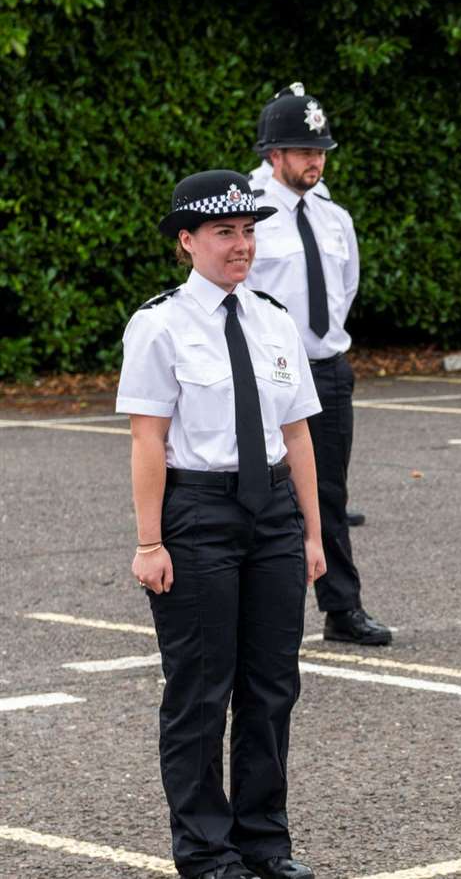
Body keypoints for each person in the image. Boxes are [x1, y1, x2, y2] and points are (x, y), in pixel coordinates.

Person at [120, 170, 325, 879]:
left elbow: (297, 435)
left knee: (272, 686)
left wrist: (313, 535)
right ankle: (207, 852)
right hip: (197, 512)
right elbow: (149, 439)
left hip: (271, 513)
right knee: (201, 689)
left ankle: (265, 842)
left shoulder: (272, 318)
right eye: (224, 233)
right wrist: (150, 542)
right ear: (187, 242)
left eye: (248, 230)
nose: (241, 245)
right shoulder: (159, 324)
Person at [248, 84, 393, 645]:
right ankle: (254, 610)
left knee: (327, 492)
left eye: (320, 151)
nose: (315, 160)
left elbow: (345, 287)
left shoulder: (334, 217)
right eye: (303, 151)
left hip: (328, 367)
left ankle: (341, 607)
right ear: (273, 154)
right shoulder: (251, 215)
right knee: (254, 488)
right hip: (267, 370)